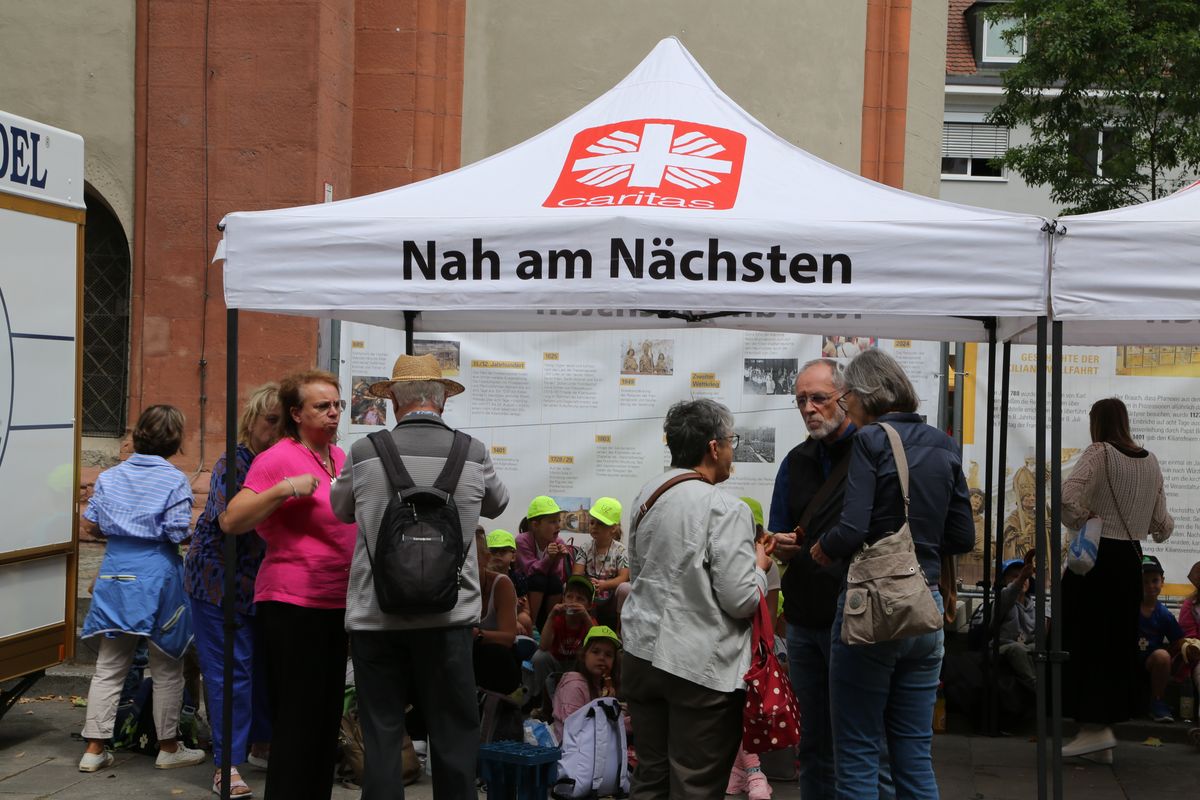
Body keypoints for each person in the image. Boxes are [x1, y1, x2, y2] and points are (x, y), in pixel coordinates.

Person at [331, 353, 508, 800]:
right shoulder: (473, 452)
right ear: (442, 401)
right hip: (450, 620)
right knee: (453, 735)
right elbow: (498, 504)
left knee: (383, 733)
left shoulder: (364, 452)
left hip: (377, 619)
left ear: (393, 402)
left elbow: (340, 509)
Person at [811, 348, 974, 798]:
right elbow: (962, 536)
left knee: (859, 748)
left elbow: (853, 527)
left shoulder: (871, 440)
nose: (846, 409)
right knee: (914, 753)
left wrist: (820, 548)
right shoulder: (944, 443)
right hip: (926, 609)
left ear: (866, 395)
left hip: (874, 608)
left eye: (846, 400)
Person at [623, 399, 771, 799]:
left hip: (640, 653)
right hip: (698, 666)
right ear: (713, 447)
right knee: (696, 783)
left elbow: (639, 574)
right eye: (730, 442)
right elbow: (740, 600)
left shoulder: (646, 494)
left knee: (650, 776)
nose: (731, 451)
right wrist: (761, 566)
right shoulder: (726, 506)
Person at [220, 370, 357, 800]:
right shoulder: (278, 457)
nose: (333, 413)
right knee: (298, 718)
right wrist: (283, 489)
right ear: (296, 413)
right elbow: (232, 520)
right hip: (293, 603)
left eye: (337, 405)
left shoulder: (340, 457)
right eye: (322, 406)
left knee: (325, 716)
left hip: (339, 602)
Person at [769, 357, 885, 800]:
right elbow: (779, 525)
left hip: (856, 620)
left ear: (845, 397)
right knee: (813, 742)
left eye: (818, 398)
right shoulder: (794, 462)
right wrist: (779, 544)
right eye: (801, 400)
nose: (809, 408)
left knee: (857, 742)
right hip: (804, 619)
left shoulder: (871, 451)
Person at [77, 405, 205, 773]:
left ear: (136, 437)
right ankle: (168, 746)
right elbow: (176, 531)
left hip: (116, 573)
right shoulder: (175, 480)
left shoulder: (109, 477)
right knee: (167, 665)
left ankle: (94, 748)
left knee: (109, 666)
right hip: (158, 576)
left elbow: (92, 525)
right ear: (175, 442)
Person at [1060, 397, 1173, 760]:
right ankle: (1100, 730)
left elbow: (1066, 498)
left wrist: (1084, 517)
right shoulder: (1151, 461)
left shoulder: (1100, 452)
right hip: (1130, 561)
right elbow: (1162, 526)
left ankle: (1093, 727)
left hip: (1097, 560)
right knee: (1116, 642)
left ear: (1098, 423)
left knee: (1084, 637)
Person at [184, 384, 279, 796]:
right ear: (251, 421)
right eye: (270, 421)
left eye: (284, 422)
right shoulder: (234, 463)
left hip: (261, 583)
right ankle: (227, 765)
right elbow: (231, 520)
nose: (276, 431)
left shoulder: (285, 461)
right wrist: (287, 489)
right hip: (217, 582)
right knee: (230, 673)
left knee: (259, 670)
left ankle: (258, 745)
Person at [1138, 555, 1199, 722]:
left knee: (1162, 656)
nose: (1150, 586)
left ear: (1162, 581)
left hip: (1151, 663)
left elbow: (1178, 641)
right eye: (1144, 581)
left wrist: (1191, 648)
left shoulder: (1164, 615)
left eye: (1154, 580)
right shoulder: (1128, 608)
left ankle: (1157, 702)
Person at [532, 575, 599, 707]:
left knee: (593, 658)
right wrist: (551, 616)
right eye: (569, 596)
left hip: (578, 666)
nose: (573, 601)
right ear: (563, 599)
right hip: (557, 662)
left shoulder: (589, 622)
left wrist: (586, 617)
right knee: (539, 657)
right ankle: (542, 701)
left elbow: (596, 643)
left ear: (589, 606)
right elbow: (543, 646)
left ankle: (585, 699)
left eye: (580, 599)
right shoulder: (558, 618)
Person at [552, 625, 625, 742]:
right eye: (595, 652)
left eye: (608, 655)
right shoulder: (574, 685)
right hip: (569, 752)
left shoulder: (603, 686)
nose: (602, 658)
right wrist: (606, 709)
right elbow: (574, 729)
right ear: (584, 655)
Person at [471, 527, 522, 694]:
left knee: (497, 656)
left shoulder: (501, 584)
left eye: (471, 559)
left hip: (494, 658)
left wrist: (476, 635)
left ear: (485, 559)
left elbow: (508, 637)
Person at [572, 497, 631, 630]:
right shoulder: (585, 547)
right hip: (589, 592)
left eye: (601, 523)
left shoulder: (620, 550)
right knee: (568, 586)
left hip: (611, 596)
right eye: (592, 522)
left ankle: (619, 630)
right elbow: (577, 573)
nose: (594, 527)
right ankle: (575, 627)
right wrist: (588, 585)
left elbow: (624, 577)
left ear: (613, 528)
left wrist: (605, 585)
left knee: (625, 588)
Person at [517, 496, 573, 626]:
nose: (558, 526)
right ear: (535, 525)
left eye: (558, 521)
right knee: (538, 579)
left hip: (547, 585)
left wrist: (557, 558)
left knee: (555, 582)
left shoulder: (559, 542)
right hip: (527, 584)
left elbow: (556, 575)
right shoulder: (522, 540)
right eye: (552, 522)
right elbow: (529, 571)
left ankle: (550, 625)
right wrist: (549, 558)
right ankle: (533, 625)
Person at [994, 557, 1037, 693]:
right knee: (1017, 649)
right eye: (1014, 576)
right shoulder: (1002, 600)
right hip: (1002, 647)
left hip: (1026, 649)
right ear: (1004, 581)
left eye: (1024, 577)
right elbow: (1008, 595)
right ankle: (1036, 687)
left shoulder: (1034, 607)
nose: (1021, 580)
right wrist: (1021, 578)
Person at [487, 529, 533, 636]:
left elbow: (526, 610)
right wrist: (512, 621)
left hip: (514, 615)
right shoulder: (483, 578)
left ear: (513, 557)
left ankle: (529, 648)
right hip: (487, 616)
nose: (498, 554)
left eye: (503, 551)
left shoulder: (518, 579)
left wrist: (516, 610)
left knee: (525, 619)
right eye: (493, 551)